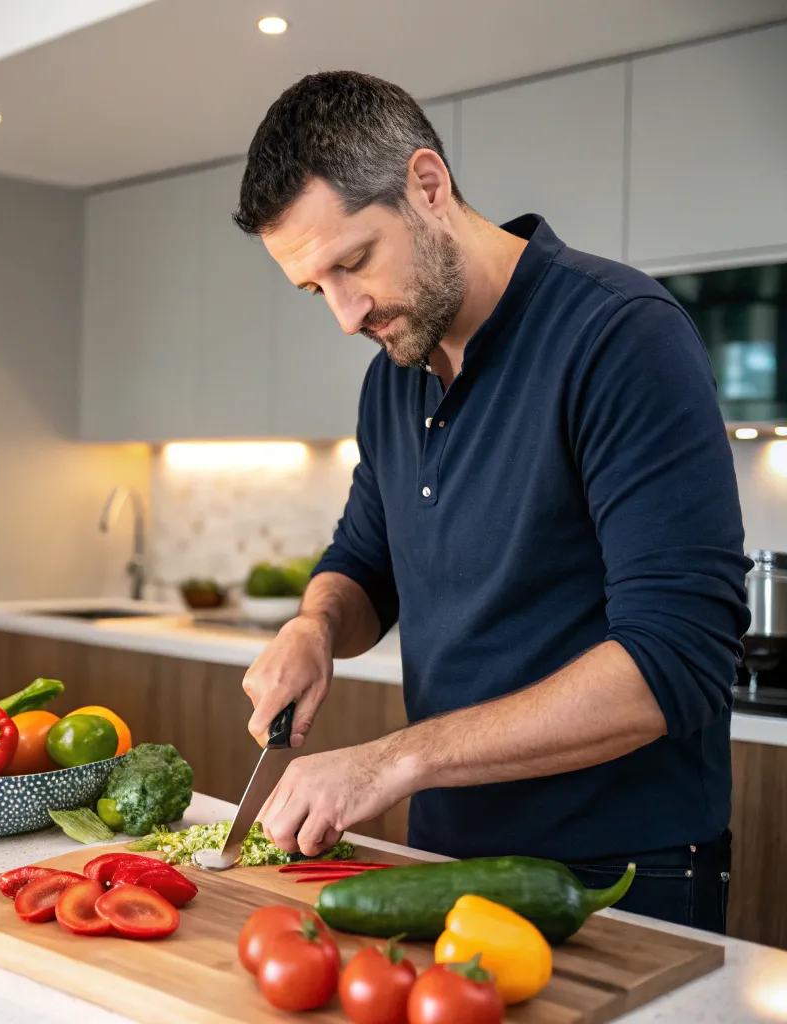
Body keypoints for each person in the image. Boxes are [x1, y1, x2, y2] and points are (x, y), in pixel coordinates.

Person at [232, 71, 750, 933]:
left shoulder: (621, 337)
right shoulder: (393, 375)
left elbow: (679, 661)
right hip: (444, 859)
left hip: (620, 880)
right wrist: (315, 626)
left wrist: (389, 763)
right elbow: (365, 562)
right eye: (314, 287)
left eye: (352, 263)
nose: (344, 312)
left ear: (427, 186)